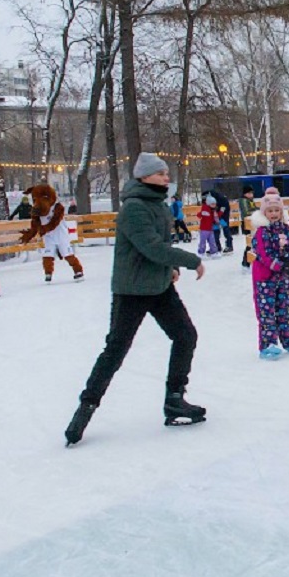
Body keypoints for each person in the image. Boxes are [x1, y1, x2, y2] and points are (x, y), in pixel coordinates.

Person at [64, 153, 206, 447]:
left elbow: (159, 249)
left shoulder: (156, 204)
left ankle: (175, 399)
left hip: (158, 287)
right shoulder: (134, 208)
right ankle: (86, 407)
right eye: (161, 173)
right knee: (115, 350)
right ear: (145, 176)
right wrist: (190, 260)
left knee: (185, 335)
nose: (167, 177)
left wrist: (171, 268)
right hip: (131, 291)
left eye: (167, 172)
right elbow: (151, 247)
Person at [249, 187, 289, 359]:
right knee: (267, 311)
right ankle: (268, 344)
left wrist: (288, 260)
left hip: (282, 277)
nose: (273, 214)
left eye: (277, 210)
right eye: (270, 211)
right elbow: (263, 254)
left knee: (284, 309)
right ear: (264, 213)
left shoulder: (285, 229)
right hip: (264, 278)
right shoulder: (262, 231)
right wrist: (278, 265)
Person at [238, 186, 256, 269]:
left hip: (252, 223)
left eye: (251, 193)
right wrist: (257, 212)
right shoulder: (244, 200)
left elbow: (253, 208)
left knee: (253, 243)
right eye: (249, 193)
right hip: (247, 223)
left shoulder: (250, 200)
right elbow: (246, 212)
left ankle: (248, 261)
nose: (251, 195)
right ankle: (246, 262)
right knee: (250, 243)